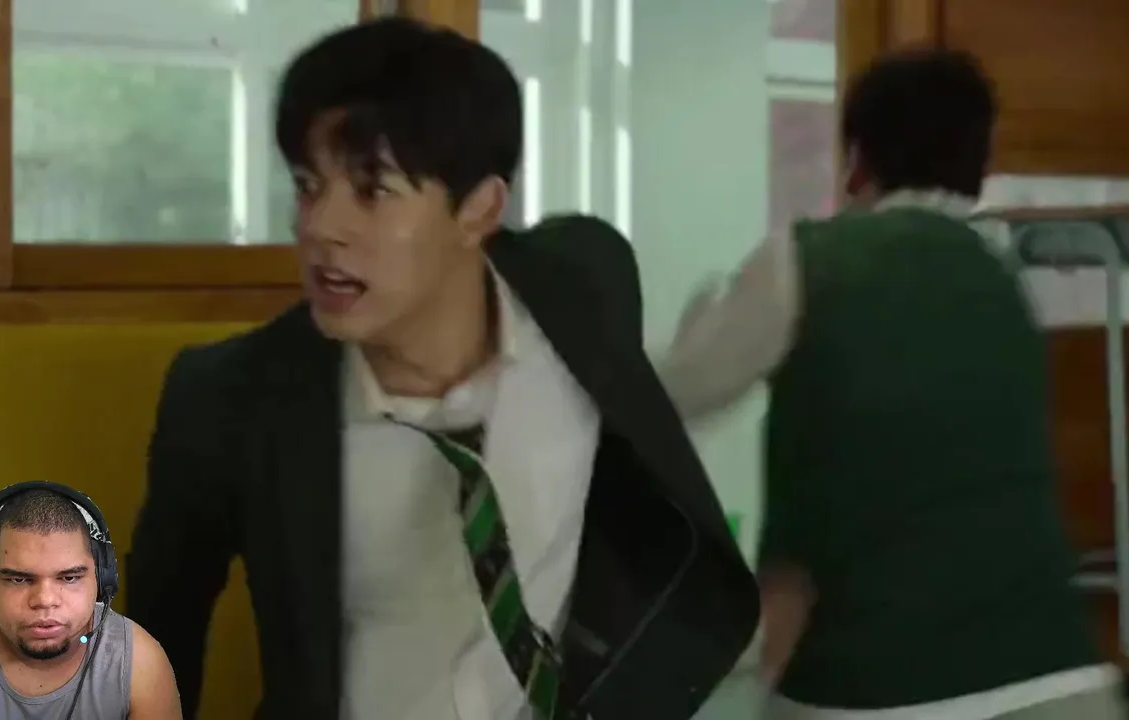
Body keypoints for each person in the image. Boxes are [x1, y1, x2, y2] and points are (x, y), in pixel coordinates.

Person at [124, 16, 759, 720]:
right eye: (308, 185)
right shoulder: (230, 401)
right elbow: (151, 652)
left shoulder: (586, 285)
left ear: (480, 209)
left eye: (373, 190)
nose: (320, 226)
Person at [657, 48, 1127, 719]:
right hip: (1062, 683)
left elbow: (669, 395)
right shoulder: (1003, 279)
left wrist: (699, 311)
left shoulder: (812, 261)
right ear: (978, 167)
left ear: (857, 161)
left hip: (878, 687)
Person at [0, 482, 181, 720]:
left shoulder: (140, 663)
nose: (45, 600)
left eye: (69, 578)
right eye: (19, 579)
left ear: (102, 578)